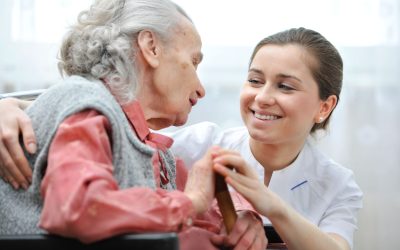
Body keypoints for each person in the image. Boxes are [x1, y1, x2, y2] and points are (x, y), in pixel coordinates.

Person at [0, 28, 362, 249]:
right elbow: (112, 116)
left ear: (324, 107)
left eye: (284, 86)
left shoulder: (339, 185)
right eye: (254, 80)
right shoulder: (199, 145)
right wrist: (10, 106)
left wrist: (267, 207)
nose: (262, 97)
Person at [0, 0, 267, 250]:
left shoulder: (146, 145)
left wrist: (244, 217)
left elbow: (201, 205)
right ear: (151, 47)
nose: (201, 89)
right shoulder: (86, 107)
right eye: (193, 61)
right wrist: (190, 202)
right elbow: (79, 208)